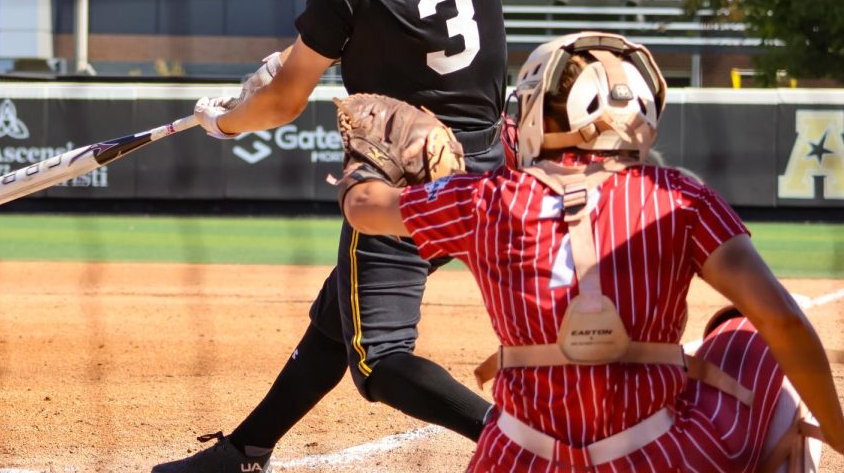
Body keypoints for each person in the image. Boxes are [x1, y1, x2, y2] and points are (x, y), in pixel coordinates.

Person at [152, 0, 546, 472]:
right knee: (342, 312)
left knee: (381, 363)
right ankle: (246, 450)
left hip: (404, 189)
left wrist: (226, 120)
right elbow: (403, 36)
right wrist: (292, 58)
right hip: (486, 174)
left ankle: (520, 443)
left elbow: (281, 104)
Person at [339, 31, 844, 471]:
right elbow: (785, 323)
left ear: (537, 110)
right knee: (749, 334)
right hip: (658, 459)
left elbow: (364, 207)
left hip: (516, 458)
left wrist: (364, 166)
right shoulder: (682, 197)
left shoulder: (487, 197)